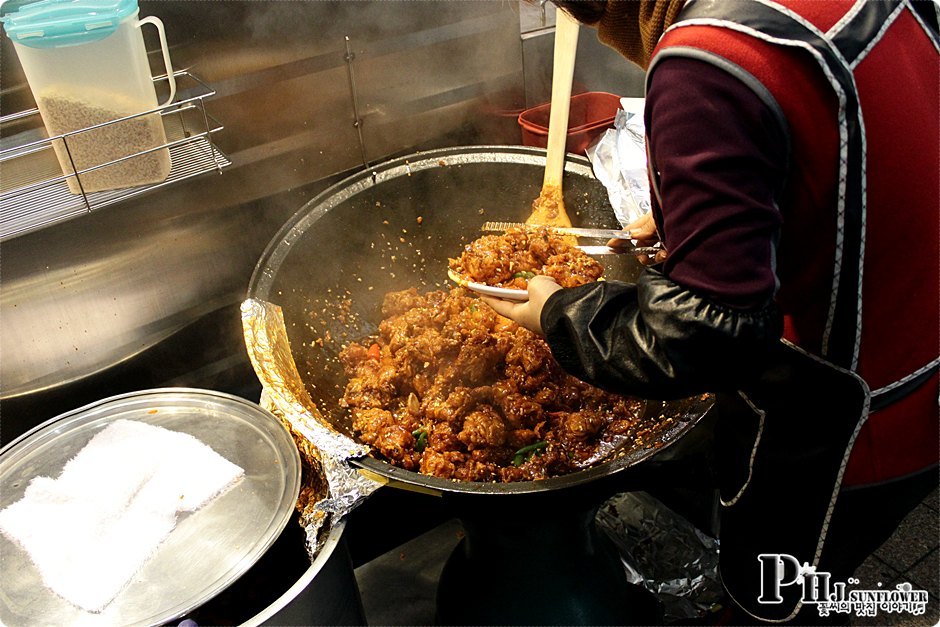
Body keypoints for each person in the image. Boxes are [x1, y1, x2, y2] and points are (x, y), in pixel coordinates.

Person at [485, 0, 939, 623]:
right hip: (920, 373)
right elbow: (846, 148)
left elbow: (702, 335)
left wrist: (560, 313)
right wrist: (711, 220)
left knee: (775, 604)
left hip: (843, 426)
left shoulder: (707, 56)